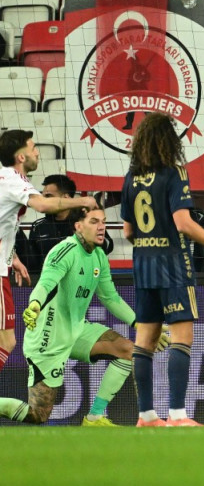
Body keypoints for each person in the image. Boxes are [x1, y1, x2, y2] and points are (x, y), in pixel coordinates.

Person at [122, 113, 204, 428]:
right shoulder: (174, 173)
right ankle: (178, 415)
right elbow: (183, 223)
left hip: (143, 266)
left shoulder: (131, 178)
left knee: (145, 340)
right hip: (172, 266)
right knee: (182, 337)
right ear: (169, 141)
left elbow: (127, 231)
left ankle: (146, 416)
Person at [0, 206, 169, 426]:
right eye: (94, 221)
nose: (101, 227)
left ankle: (94, 417)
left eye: (104, 221)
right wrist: (34, 304)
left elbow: (111, 298)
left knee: (129, 350)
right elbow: (45, 283)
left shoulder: (99, 255)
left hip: (77, 330)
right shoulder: (64, 251)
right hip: (49, 337)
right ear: (78, 226)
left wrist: (140, 324)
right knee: (37, 415)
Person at [0, 130, 97, 377]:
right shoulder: (12, 179)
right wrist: (82, 201)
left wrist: (14, 258)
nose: (37, 152)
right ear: (21, 156)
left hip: (3, 265)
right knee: (6, 342)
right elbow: (43, 204)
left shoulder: (5, 180)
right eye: (33, 147)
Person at [17, 174, 114, 274]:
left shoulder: (84, 222)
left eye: (48, 196)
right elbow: (32, 264)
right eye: (43, 196)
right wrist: (15, 230)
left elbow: (107, 246)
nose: (44, 201)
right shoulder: (38, 227)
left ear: (66, 198)